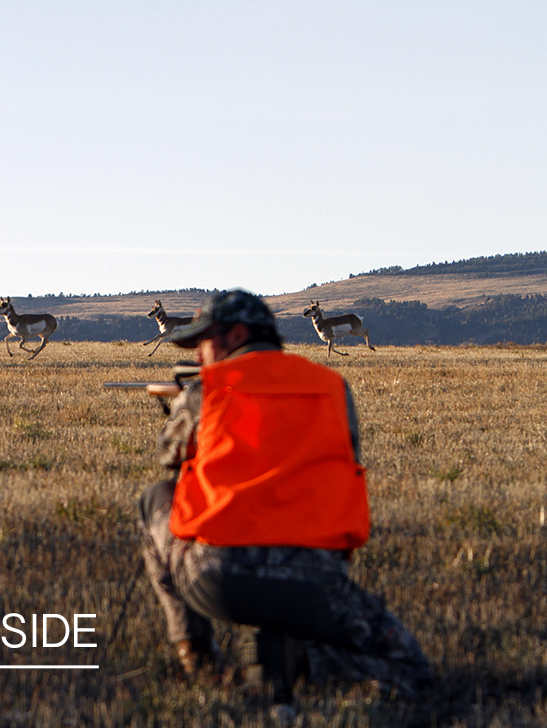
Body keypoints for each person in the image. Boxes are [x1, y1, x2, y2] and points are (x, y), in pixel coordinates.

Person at [136, 289, 432, 713]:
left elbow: (171, 456)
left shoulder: (208, 389)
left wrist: (184, 407)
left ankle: (197, 658)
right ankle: (309, 660)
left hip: (219, 579)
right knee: (412, 670)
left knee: (158, 498)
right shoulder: (333, 387)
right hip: (318, 581)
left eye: (204, 342)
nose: (199, 355)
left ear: (235, 335)